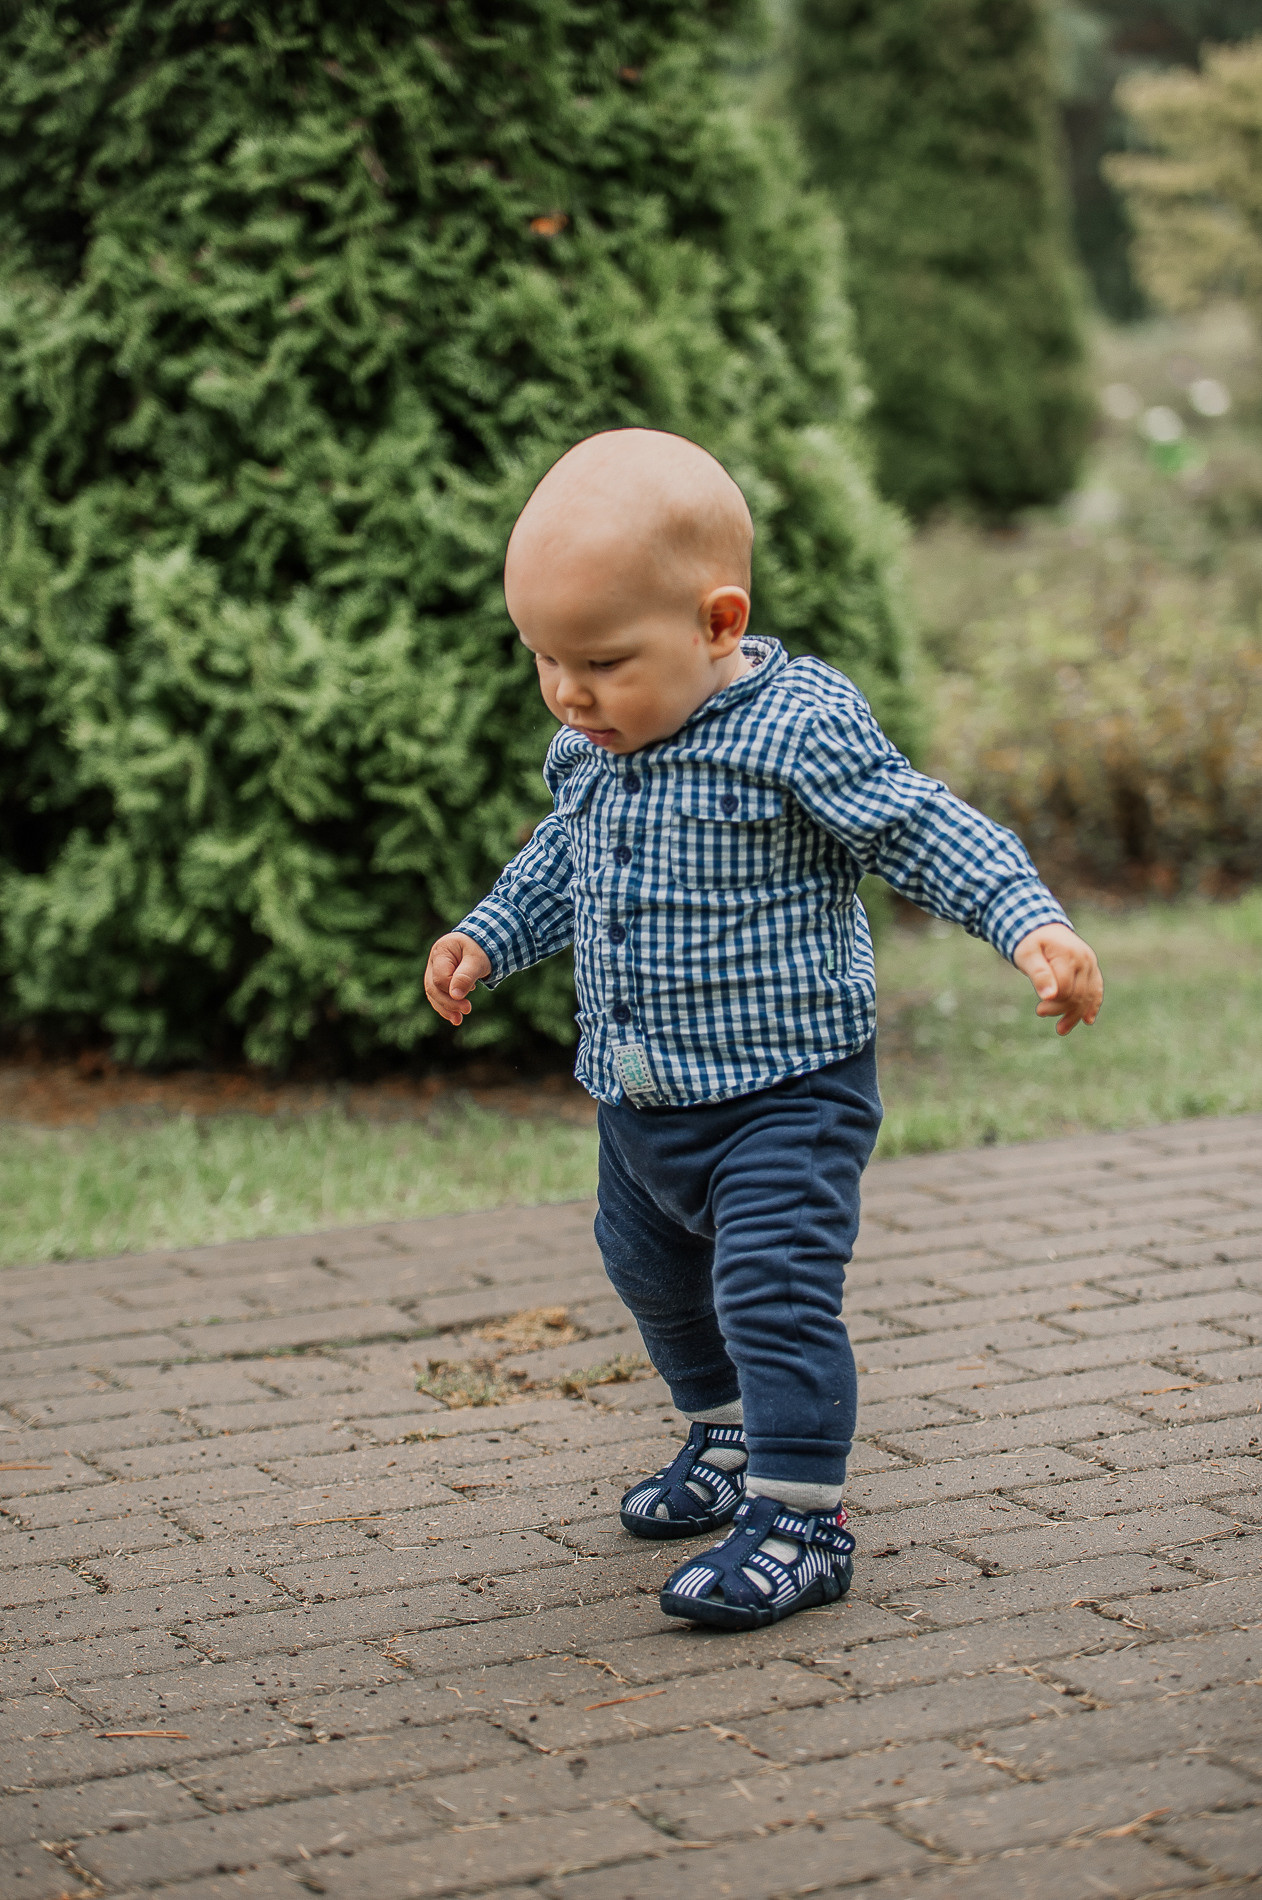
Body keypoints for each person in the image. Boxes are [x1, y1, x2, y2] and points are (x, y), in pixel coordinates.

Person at [424, 428, 1103, 1631]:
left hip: (784, 1091)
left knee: (769, 1291)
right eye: (542, 660)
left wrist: (1024, 921)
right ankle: (727, 1439)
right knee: (649, 1274)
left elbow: (914, 825)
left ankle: (801, 1517)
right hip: (639, 1095)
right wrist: (487, 935)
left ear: (717, 623)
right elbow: (558, 867)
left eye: (598, 660)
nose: (567, 693)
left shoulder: (793, 728)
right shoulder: (590, 745)